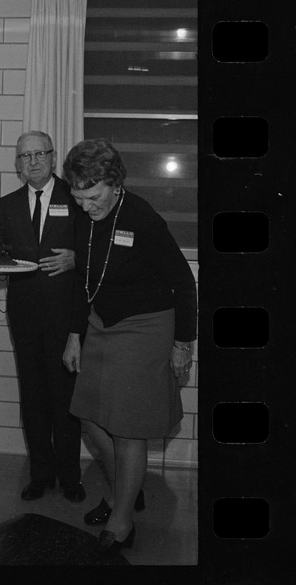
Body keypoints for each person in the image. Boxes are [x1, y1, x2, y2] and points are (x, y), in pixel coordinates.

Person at [62, 138, 196, 555]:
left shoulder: (141, 217)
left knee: (127, 426)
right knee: (88, 416)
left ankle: (121, 521)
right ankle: (127, 489)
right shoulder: (85, 216)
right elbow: (82, 281)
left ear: (114, 182)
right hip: (100, 323)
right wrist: (74, 333)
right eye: (78, 197)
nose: (85, 206)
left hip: (146, 325)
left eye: (93, 196)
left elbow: (184, 282)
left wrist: (182, 342)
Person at [0, 131, 85, 503]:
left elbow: (94, 248)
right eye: (26, 156)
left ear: (54, 158)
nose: (34, 161)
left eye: (41, 153)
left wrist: (76, 258)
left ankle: (71, 476)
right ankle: (41, 473)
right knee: (34, 396)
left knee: (66, 399)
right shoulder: (7, 205)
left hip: (66, 316)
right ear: (17, 164)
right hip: (24, 314)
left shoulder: (75, 198)